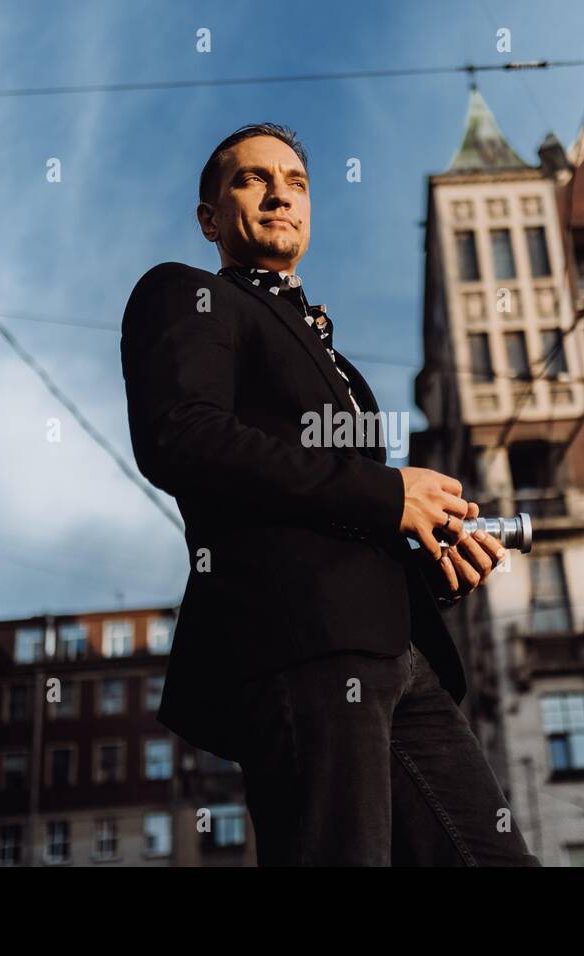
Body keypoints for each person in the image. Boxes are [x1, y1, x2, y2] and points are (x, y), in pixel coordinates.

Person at [120, 122, 541, 866]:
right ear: (210, 218)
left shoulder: (337, 360)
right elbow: (181, 436)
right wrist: (387, 494)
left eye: (297, 181)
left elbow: (338, 512)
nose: (281, 191)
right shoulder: (187, 294)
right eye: (253, 178)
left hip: (402, 655)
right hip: (302, 648)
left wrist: (431, 562)